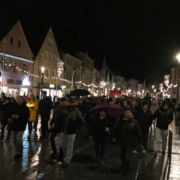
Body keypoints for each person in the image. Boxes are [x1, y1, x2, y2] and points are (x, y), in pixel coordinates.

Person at [113, 107, 142, 176]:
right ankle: (123, 164)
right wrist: (114, 136)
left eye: (128, 112)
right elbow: (116, 129)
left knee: (127, 157)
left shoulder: (134, 121)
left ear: (131, 113)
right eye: (126, 112)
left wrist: (140, 142)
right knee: (121, 155)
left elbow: (138, 132)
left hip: (130, 142)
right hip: (121, 141)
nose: (127, 114)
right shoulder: (120, 120)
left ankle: (126, 169)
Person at [57, 98, 83, 168]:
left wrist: (75, 128)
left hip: (72, 132)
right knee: (61, 144)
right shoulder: (64, 110)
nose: (70, 104)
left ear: (74, 103)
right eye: (70, 103)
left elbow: (80, 122)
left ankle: (67, 160)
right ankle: (69, 154)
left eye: (72, 103)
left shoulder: (77, 112)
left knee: (70, 146)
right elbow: (60, 119)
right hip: (63, 130)